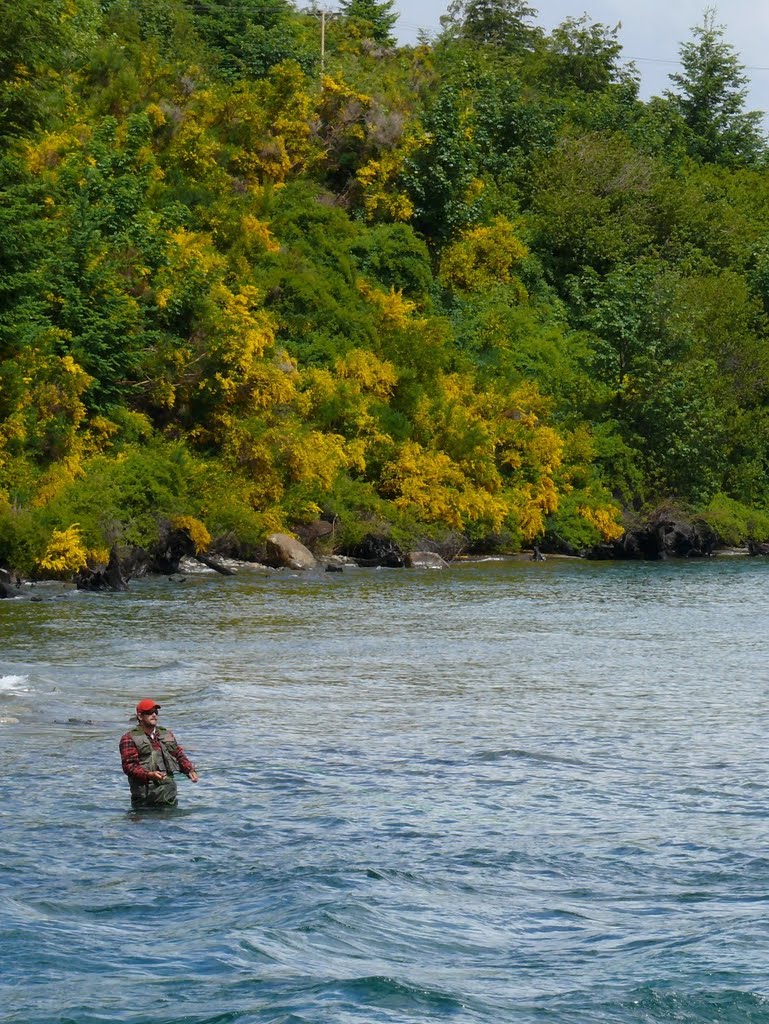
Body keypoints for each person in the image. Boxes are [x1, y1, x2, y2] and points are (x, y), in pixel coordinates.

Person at [120, 699, 199, 808]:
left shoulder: (166, 734)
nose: (154, 715)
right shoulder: (128, 738)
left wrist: (189, 770)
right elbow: (129, 766)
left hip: (169, 796)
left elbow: (178, 754)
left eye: (155, 712)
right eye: (149, 712)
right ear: (140, 716)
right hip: (145, 801)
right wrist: (149, 775)